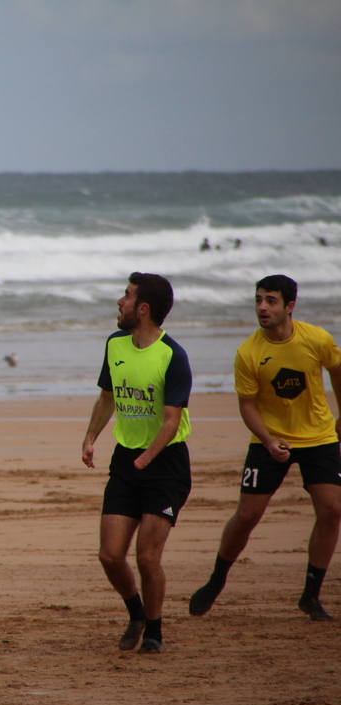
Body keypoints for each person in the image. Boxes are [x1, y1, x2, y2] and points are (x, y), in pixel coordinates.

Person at [189, 275, 341, 621]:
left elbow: (337, 370)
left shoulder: (317, 338)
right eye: (258, 299)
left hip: (318, 437)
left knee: (332, 510)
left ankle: (311, 595)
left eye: (271, 300)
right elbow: (247, 406)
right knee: (246, 516)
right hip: (268, 438)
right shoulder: (248, 352)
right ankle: (216, 580)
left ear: (289, 306)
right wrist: (269, 440)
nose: (262, 307)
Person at [81, 272, 192, 654]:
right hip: (127, 460)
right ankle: (136, 613)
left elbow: (172, 420)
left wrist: (147, 457)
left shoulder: (173, 356)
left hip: (166, 464)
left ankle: (155, 633)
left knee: (147, 557)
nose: (120, 301)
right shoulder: (115, 343)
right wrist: (90, 438)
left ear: (142, 308)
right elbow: (107, 398)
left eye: (126, 296)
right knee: (110, 555)